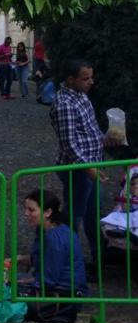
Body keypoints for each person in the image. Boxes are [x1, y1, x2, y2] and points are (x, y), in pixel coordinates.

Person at [50, 59, 108, 256]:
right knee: (74, 214)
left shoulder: (82, 96)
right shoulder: (65, 104)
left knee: (93, 213)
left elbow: (90, 131)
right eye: (86, 78)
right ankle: (67, 257)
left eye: (91, 77)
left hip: (91, 166)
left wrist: (107, 138)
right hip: (77, 170)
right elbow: (69, 145)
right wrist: (88, 168)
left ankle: (98, 256)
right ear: (71, 79)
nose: (91, 82)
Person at [15, 189, 87, 323]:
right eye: (26, 209)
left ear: (47, 212)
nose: (26, 214)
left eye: (31, 210)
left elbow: (47, 280)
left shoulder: (53, 238)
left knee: (3, 289)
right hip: (60, 290)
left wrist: (20, 282)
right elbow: (42, 259)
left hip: (63, 297)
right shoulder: (54, 229)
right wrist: (19, 258)